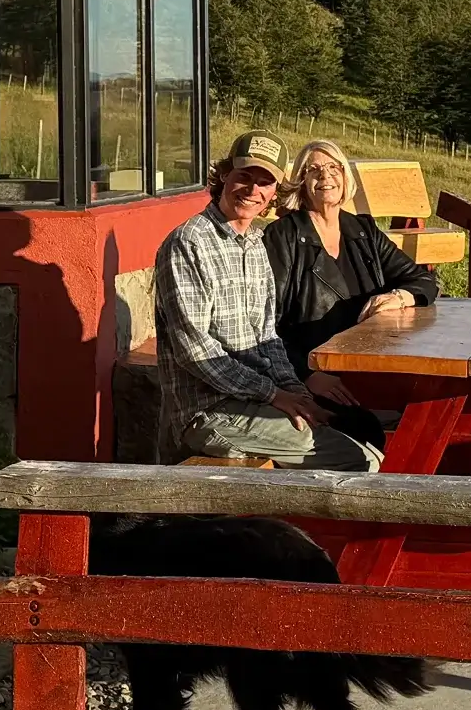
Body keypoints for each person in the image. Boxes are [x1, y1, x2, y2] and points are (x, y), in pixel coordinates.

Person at [154, 129, 381, 469]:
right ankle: (287, 522)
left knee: (365, 430)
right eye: (244, 176)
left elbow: (268, 338)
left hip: (258, 399)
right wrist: (276, 395)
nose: (253, 190)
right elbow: (195, 352)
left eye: (265, 182)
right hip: (209, 411)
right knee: (359, 460)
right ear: (225, 175)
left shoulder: (256, 243)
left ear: (276, 191)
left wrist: (298, 394)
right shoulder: (189, 243)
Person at [264, 139, 440, 449]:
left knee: (430, 405)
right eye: (314, 169)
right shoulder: (283, 236)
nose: (325, 176)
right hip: (317, 373)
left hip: (368, 367)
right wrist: (306, 373)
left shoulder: (362, 231)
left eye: (334, 167)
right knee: (366, 430)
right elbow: (265, 325)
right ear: (302, 182)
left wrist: (399, 297)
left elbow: (420, 278)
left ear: (346, 178)